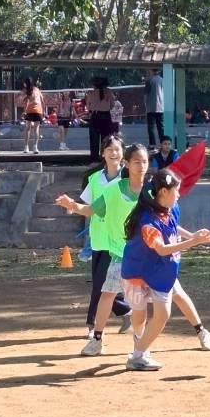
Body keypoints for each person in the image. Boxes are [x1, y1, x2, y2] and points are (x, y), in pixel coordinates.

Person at [120, 169, 210, 371]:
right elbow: (162, 249)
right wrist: (194, 242)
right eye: (176, 190)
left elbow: (173, 227)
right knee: (139, 316)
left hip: (160, 270)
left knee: (164, 312)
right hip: (138, 272)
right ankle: (140, 344)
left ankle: (138, 354)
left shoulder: (170, 208)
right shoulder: (147, 222)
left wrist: (193, 236)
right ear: (163, 192)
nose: (179, 194)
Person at [57, 141, 148, 355]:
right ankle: (97, 337)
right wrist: (72, 206)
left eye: (144, 162)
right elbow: (90, 209)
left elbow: (165, 218)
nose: (141, 166)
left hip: (144, 255)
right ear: (128, 163)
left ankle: (142, 347)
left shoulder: (151, 191)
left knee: (147, 301)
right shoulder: (113, 189)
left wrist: (187, 238)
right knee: (106, 293)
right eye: (137, 162)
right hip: (115, 251)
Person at [64, 136, 132, 339]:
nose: (113, 153)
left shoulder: (129, 178)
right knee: (102, 281)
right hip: (98, 238)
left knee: (101, 282)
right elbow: (88, 208)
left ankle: (92, 324)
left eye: (117, 149)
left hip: (119, 239)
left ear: (123, 153)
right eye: (109, 149)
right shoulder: (94, 179)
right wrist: (72, 207)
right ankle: (125, 310)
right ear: (103, 153)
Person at [87, 76, 115, 160]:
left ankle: (94, 158)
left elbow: (88, 107)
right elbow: (112, 105)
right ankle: (105, 157)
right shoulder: (109, 92)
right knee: (106, 139)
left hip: (95, 116)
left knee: (94, 139)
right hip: (106, 116)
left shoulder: (91, 93)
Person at [21, 77, 45, 154]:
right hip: (38, 110)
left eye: (24, 83)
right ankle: (35, 147)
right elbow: (42, 100)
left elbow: (25, 102)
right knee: (36, 129)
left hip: (30, 110)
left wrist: (24, 111)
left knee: (27, 128)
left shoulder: (27, 91)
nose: (24, 84)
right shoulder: (37, 89)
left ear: (26, 83)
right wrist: (43, 111)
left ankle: (26, 147)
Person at [144, 69, 165, 148]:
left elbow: (146, 95)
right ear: (159, 71)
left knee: (151, 127)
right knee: (161, 127)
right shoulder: (163, 80)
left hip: (151, 107)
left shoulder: (149, 81)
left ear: (151, 71)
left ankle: (152, 144)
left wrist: (146, 106)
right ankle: (163, 144)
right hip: (161, 107)